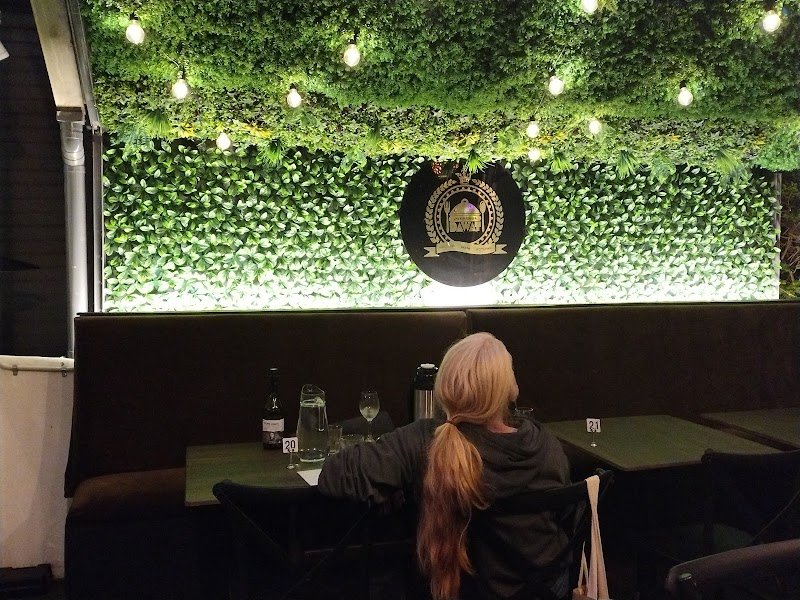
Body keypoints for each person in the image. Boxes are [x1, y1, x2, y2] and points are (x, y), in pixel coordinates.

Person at [318, 332, 570, 599]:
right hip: (548, 590)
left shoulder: (424, 441)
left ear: (444, 384)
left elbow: (334, 476)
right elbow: (568, 519)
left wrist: (397, 487)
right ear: (510, 389)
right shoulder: (545, 445)